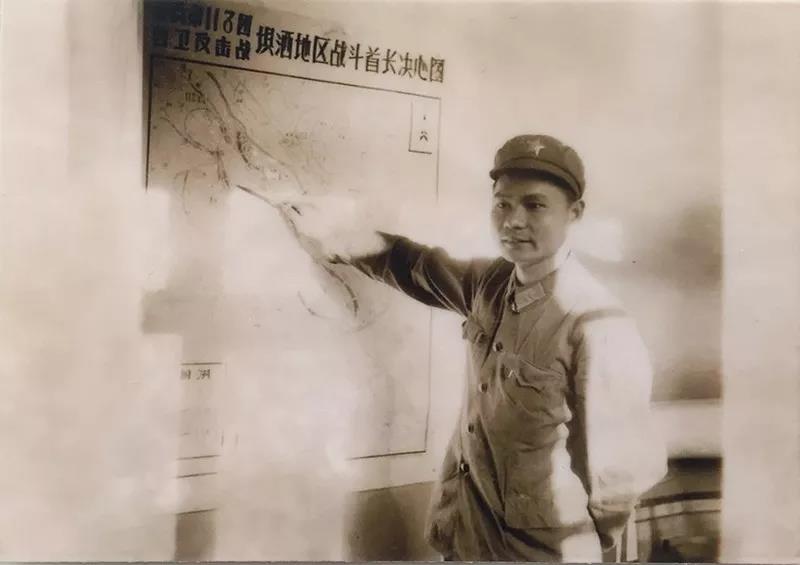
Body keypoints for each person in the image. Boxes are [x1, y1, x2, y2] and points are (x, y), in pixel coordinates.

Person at [332, 134, 668, 561]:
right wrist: (337, 236)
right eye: (502, 205)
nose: (513, 221)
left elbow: (618, 477)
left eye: (535, 205)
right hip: (465, 535)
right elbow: (413, 266)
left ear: (575, 212)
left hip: (542, 553)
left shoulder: (597, 324)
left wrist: (576, 545)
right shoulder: (488, 283)